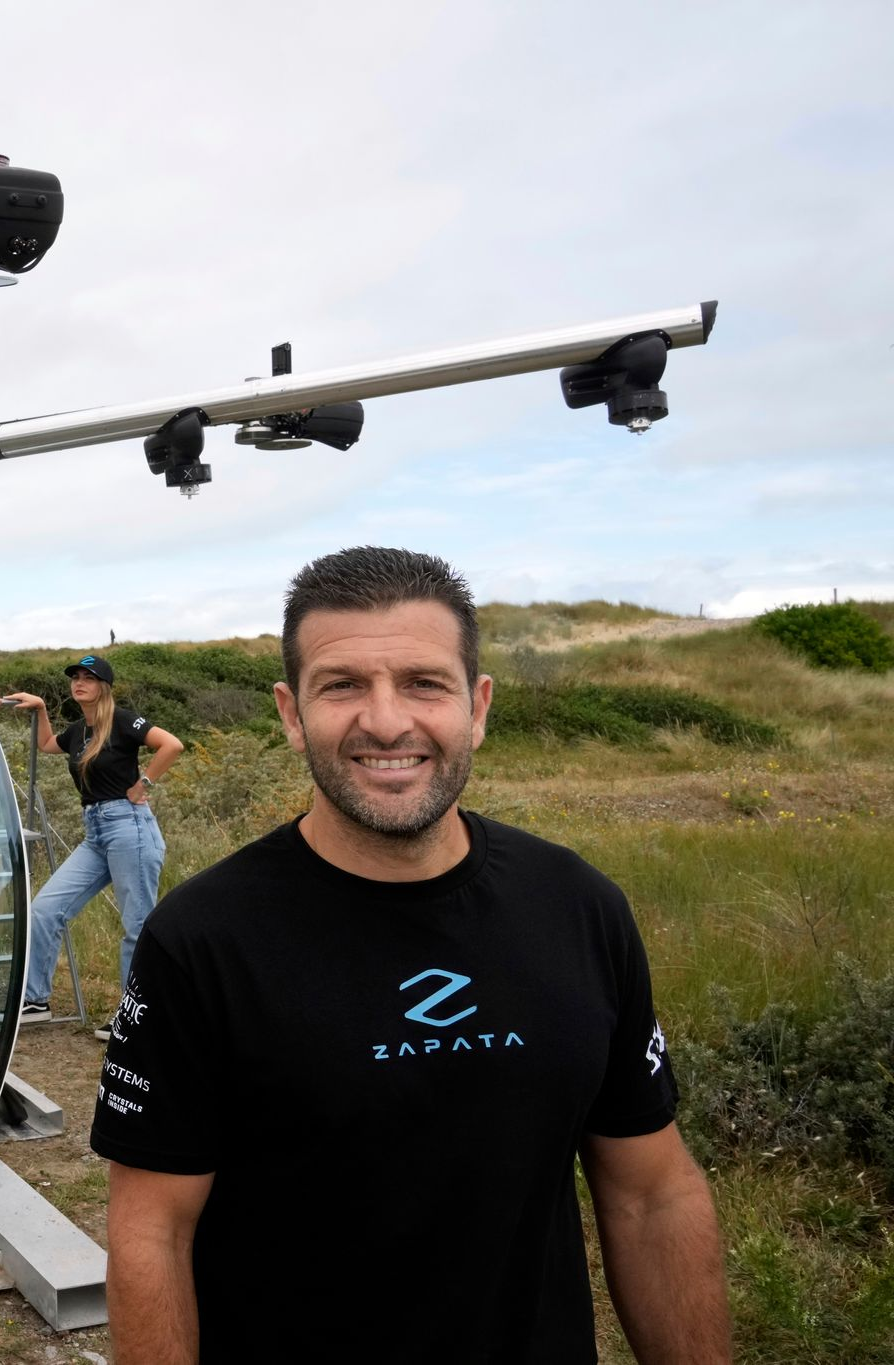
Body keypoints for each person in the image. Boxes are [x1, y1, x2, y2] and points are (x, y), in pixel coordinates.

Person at [92, 547, 729, 1363]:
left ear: (478, 705)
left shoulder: (578, 906)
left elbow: (652, 1193)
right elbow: (152, 1232)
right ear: (291, 712)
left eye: (424, 683)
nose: (386, 720)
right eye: (343, 684)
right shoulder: (200, 940)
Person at [0, 654, 183, 1027]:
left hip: (128, 827)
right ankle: (36, 1001)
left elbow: (172, 745)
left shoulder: (121, 719)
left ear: (103, 686)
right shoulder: (79, 731)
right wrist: (40, 708)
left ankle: (133, 1019)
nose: (79, 683)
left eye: (89, 677)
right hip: (96, 833)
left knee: (136, 925)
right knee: (45, 910)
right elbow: (48, 744)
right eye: (75, 678)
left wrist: (143, 783)